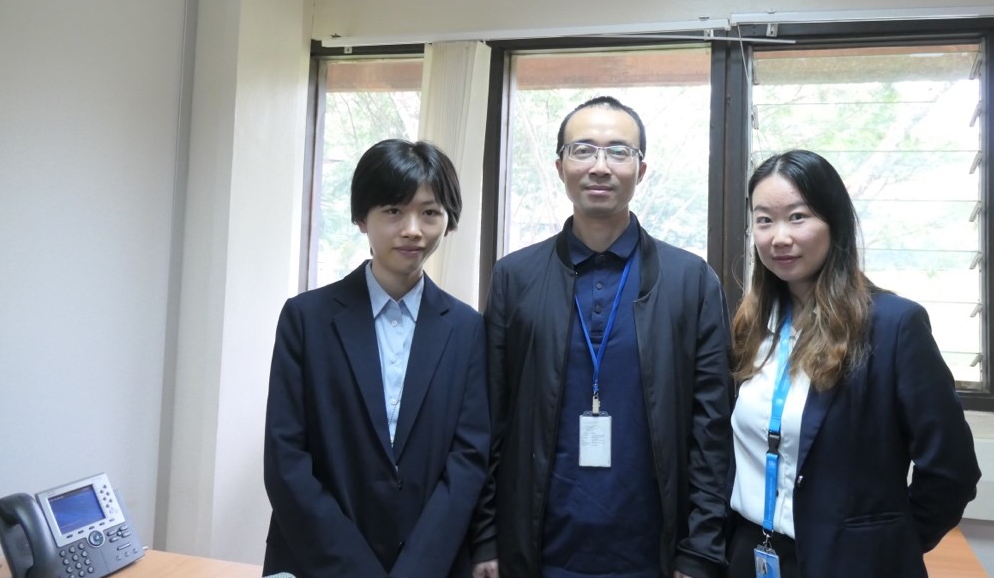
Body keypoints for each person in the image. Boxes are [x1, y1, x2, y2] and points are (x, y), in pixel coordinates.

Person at [471, 96, 732, 578]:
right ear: (559, 166)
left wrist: (700, 550)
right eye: (583, 149)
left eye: (618, 151)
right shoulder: (515, 277)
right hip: (538, 550)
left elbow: (711, 429)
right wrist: (485, 536)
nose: (599, 166)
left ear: (641, 169)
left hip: (655, 554)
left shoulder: (691, 280)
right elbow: (490, 417)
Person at [727, 149, 980, 578]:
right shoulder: (750, 326)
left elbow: (951, 470)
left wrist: (888, 548)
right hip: (753, 556)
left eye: (798, 217)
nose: (779, 237)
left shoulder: (893, 326)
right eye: (764, 220)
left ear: (835, 222)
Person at [263, 139, 490, 578]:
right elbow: (286, 458)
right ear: (361, 218)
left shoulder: (468, 328)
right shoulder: (306, 318)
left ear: (448, 221)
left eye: (430, 212)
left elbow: (468, 460)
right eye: (393, 211)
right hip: (318, 563)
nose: (413, 229)